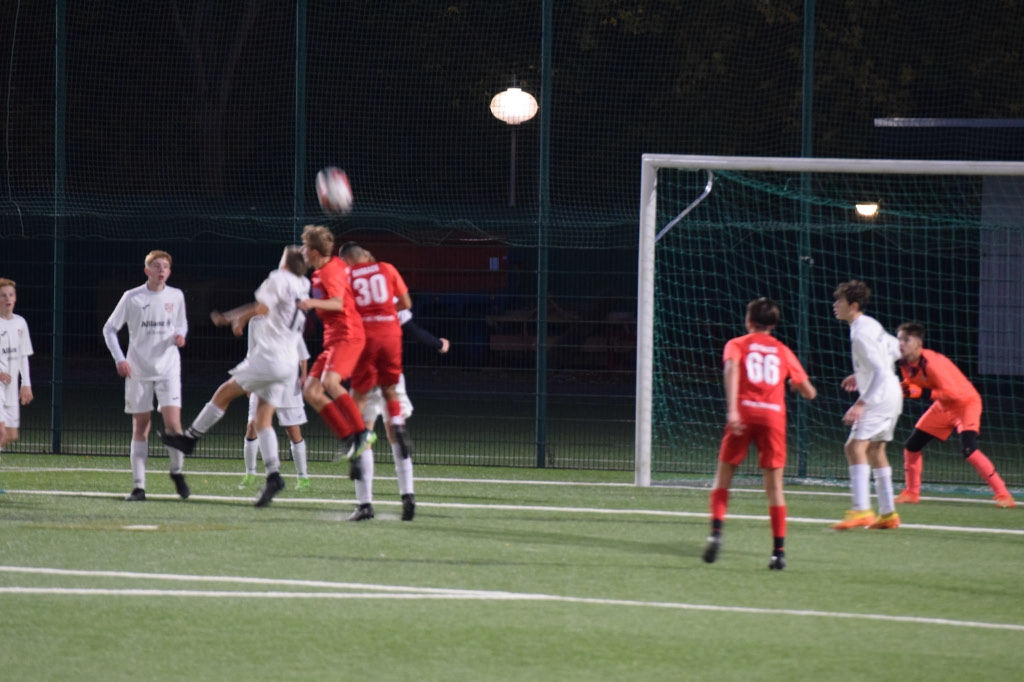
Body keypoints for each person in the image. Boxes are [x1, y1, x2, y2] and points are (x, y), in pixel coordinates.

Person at [162, 246, 311, 507]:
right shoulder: (303, 284)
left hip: (270, 357)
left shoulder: (278, 278)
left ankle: (190, 439)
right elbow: (267, 308)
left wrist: (236, 319)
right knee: (263, 419)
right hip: (288, 362)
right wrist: (232, 316)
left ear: (286, 263)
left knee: (225, 392)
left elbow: (261, 307)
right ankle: (274, 476)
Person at [702, 297, 816, 570]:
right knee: (774, 488)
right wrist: (796, 385)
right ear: (774, 324)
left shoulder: (737, 344)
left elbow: (731, 369)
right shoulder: (782, 350)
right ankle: (778, 552)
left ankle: (715, 532)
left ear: (749, 320)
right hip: (772, 417)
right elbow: (810, 392)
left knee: (723, 478)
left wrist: (732, 410)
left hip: (744, 413)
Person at [895, 321, 1015, 508]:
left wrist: (921, 393)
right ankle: (912, 492)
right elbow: (912, 384)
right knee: (912, 446)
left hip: (965, 403)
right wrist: (902, 388)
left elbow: (953, 393)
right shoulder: (904, 362)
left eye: (906, 340)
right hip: (943, 406)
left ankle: (1003, 494)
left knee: (969, 450)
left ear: (918, 343)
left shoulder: (931, 363)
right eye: (899, 339)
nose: (901, 344)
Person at [102, 251, 190, 502]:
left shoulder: (176, 296)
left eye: (165, 267)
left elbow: (181, 324)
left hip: (168, 369)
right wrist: (120, 359)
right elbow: (109, 329)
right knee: (141, 426)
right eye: (156, 266)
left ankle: (177, 472)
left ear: (169, 272)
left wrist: (180, 335)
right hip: (138, 370)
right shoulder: (132, 297)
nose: (161, 270)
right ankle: (139, 487)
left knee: (174, 425)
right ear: (147, 270)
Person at [338, 243, 412, 521]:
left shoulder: (347, 276)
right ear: (367, 255)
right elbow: (406, 304)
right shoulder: (387, 269)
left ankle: (365, 502)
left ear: (347, 261)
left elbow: (341, 310)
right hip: (391, 338)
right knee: (393, 413)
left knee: (359, 407)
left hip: (365, 341)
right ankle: (408, 497)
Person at [297, 225, 374, 463]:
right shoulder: (321, 271)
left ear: (314, 251)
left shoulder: (330, 272)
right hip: (333, 339)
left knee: (330, 382)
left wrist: (312, 303)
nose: (302, 250)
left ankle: (362, 433)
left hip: (348, 335)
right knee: (311, 391)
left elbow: (338, 303)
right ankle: (347, 437)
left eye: (305, 247)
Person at [831, 280, 902, 530]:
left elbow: (880, 370)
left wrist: (860, 404)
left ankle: (861, 510)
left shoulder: (861, 332)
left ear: (853, 305)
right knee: (875, 450)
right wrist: (861, 373)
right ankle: (888, 514)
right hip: (892, 393)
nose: (835, 305)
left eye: (839, 301)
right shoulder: (871, 324)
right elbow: (896, 350)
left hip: (879, 397)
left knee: (854, 447)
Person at [238, 315, 312, 492]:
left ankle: (303, 477)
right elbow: (251, 352)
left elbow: (302, 353)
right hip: (262, 381)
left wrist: (303, 376)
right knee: (252, 426)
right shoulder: (255, 322)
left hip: (287, 381)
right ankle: (250, 473)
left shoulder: (290, 319)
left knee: (293, 430)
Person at [0, 278, 34, 463]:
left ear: (15, 298)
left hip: (11, 388)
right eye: (3, 295)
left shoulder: (20, 323)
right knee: (1, 431)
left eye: (10, 295)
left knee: (12, 434)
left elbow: (23, 356)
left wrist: (26, 384)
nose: (7, 298)